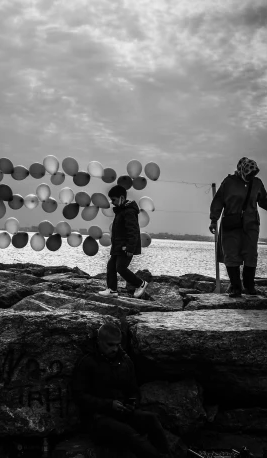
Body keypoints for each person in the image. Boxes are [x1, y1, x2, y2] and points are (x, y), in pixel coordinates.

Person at [72, 323, 170, 458]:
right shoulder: (87, 363)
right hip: (97, 420)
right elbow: (79, 396)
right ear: (99, 342)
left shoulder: (125, 361)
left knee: (151, 419)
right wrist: (108, 404)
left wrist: (132, 403)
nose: (115, 349)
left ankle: (167, 454)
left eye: (118, 345)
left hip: (121, 414)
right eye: (110, 345)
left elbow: (134, 390)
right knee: (128, 433)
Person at [210, 157, 267, 297]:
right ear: (241, 170)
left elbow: (264, 201)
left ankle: (250, 286)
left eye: (254, 173)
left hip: (250, 224)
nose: (251, 176)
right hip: (231, 225)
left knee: (250, 254)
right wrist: (213, 219)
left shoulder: (257, 183)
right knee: (231, 254)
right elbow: (218, 200)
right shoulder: (229, 182)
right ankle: (235, 287)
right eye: (249, 173)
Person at [99, 185, 148, 299]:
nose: (112, 202)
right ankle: (112, 290)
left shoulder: (129, 211)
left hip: (125, 247)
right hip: (118, 245)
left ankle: (140, 284)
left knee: (120, 268)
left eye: (114, 200)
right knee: (111, 266)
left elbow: (133, 231)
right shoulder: (120, 211)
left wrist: (130, 248)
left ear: (121, 198)